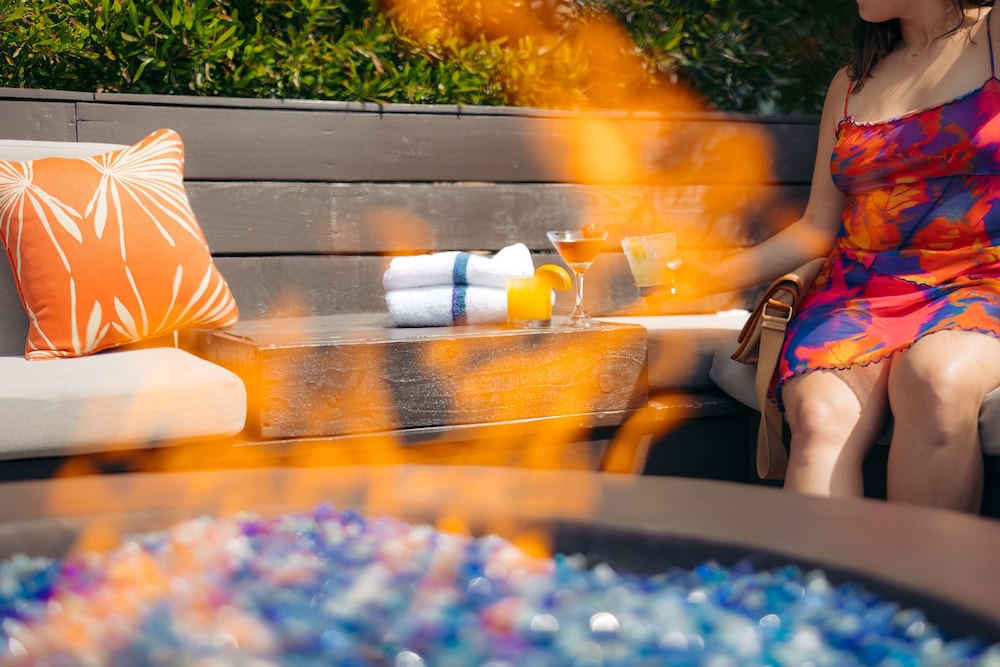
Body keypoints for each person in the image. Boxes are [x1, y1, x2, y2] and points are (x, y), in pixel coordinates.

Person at [693, 0, 1000, 513]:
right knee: (819, 417)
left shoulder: (993, 36)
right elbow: (817, 228)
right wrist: (701, 277)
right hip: (859, 292)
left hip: (980, 281)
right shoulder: (852, 81)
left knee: (934, 380)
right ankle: (822, 571)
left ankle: (923, 568)